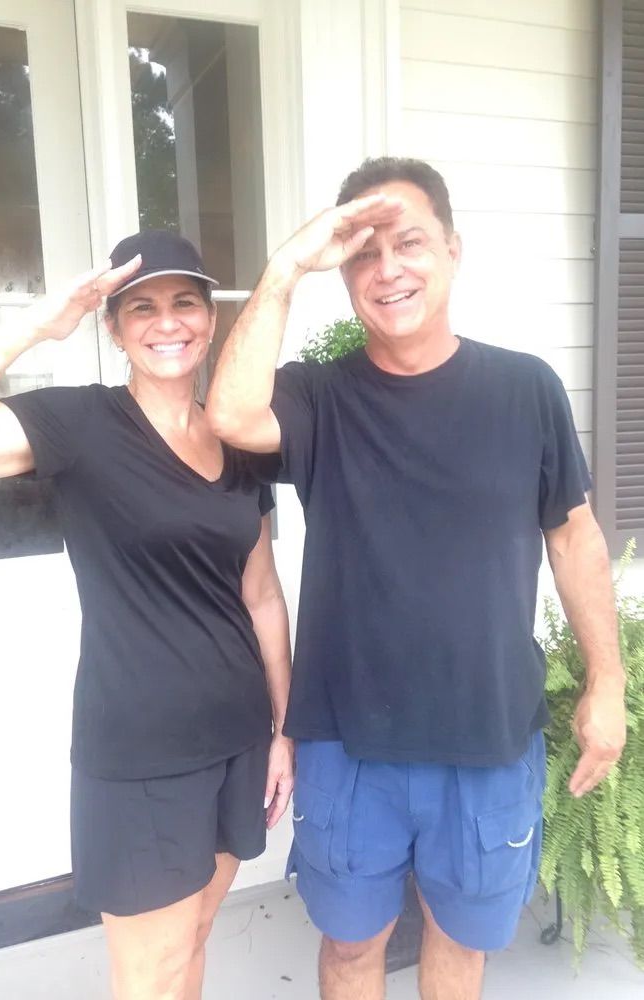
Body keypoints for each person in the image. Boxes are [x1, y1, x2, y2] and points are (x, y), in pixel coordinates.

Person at [206, 157, 627, 1000]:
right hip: (347, 745)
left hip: (487, 741)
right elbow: (230, 414)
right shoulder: (320, 399)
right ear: (343, 273)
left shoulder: (526, 389)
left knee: (458, 948)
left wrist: (607, 680)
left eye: (409, 243)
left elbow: (574, 536)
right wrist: (286, 268)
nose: (387, 268)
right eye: (363, 252)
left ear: (454, 251)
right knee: (353, 950)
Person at [0, 230, 294, 1000]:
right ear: (112, 328)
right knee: (148, 975)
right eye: (141, 308)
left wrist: (285, 727)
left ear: (210, 319)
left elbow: (263, 593)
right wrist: (39, 325)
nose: (167, 322)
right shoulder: (82, 426)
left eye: (184, 303)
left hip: (239, 740)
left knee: (197, 941)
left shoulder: (238, 439)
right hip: (140, 756)